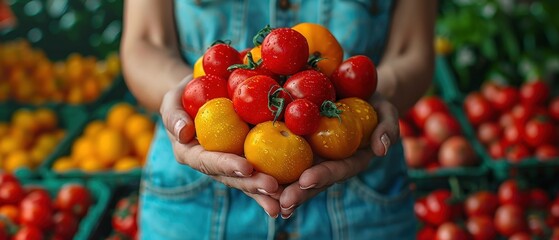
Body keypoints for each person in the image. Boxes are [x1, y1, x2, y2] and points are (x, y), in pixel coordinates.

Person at [120, 0, 436, 239]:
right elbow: (145, 43)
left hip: (366, 211)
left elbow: (413, 50)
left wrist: (375, 97)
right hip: (192, 209)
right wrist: (184, 97)